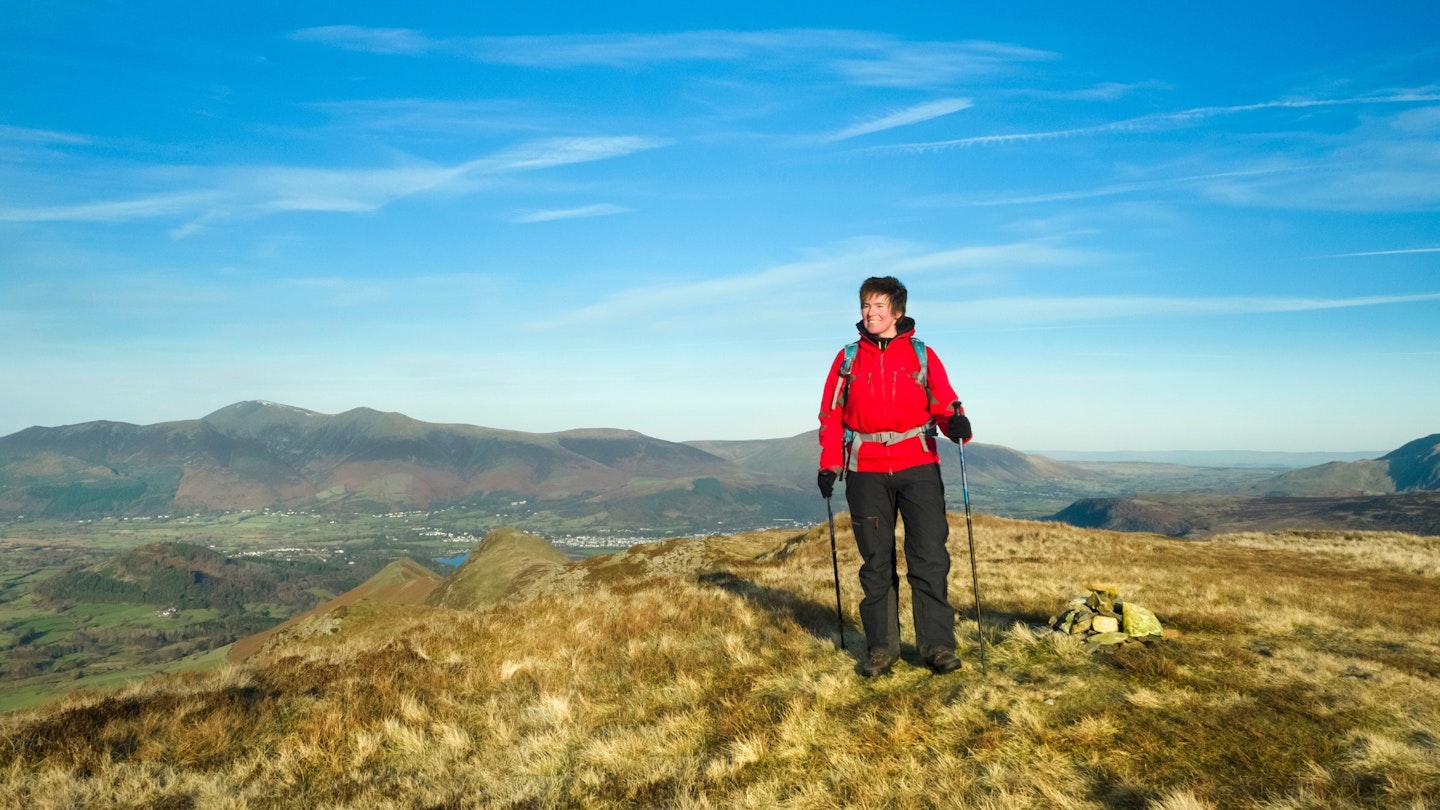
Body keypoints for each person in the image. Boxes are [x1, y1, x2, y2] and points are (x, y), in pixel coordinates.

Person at [816, 276, 973, 677]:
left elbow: (943, 401)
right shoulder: (847, 359)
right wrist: (830, 464)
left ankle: (937, 647)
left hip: (918, 466)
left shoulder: (921, 355)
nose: (871, 313)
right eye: (866, 306)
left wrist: (957, 424)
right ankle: (882, 649)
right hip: (865, 470)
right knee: (875, 564)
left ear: (897, 312)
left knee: (929, 558)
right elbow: (831, 415)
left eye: (879, 306)